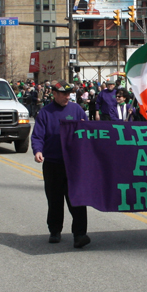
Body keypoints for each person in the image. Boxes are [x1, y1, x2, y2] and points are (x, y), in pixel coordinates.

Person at [31, 80, 90, 248]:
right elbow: (37, 136)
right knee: (55, 199)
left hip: (73, 164)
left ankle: (80, 234)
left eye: (68, 93)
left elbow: (86, 132)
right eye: (63, 93)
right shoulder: (45, 113)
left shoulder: (77, 110)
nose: (67, 96)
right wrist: (38, 151)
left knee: (77, 199)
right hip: (53, 163)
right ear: (54, 94)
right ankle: (55, 230)